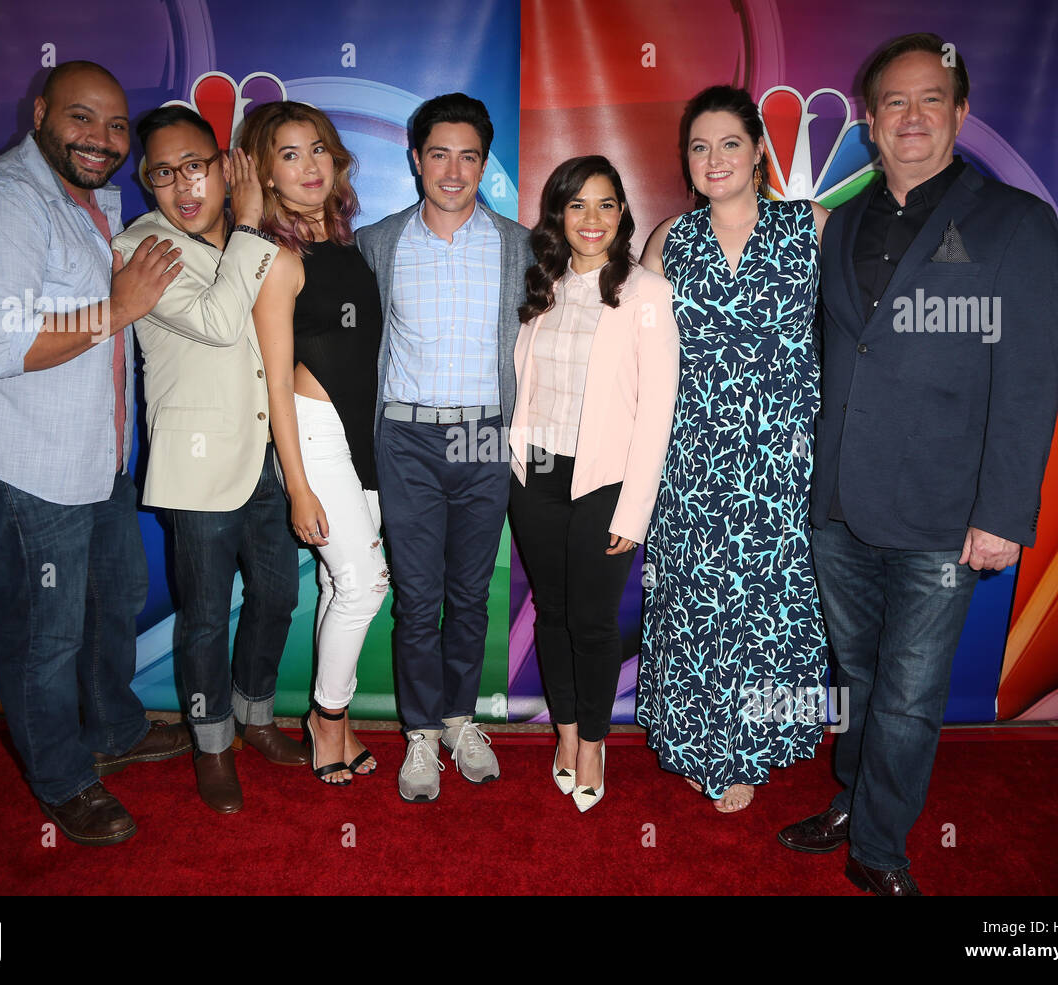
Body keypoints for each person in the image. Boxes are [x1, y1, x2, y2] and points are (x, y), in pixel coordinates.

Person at [777, 34, 1058, 895]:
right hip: (839, 506)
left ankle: (880, 845)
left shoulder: (1014, 222)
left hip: (946, 512)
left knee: (906, 693)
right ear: (866, 121)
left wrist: (1005, 512)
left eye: (929, 98)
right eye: (893, 102)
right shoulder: (845, 221)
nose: (910, 116)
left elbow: (1028, 380)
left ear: (961, 112)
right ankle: (854, 798)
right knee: (859, 675)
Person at [0, 61, 190, 846]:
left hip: (94, 459)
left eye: (116, 127)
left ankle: (112, 724)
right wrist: (119, 307)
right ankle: (64, 777)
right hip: (18, 467)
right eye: (82, 119)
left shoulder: (87, 204)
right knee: (44, 634)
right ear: (40, 111)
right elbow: (3, 345)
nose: (102, 140)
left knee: (112, 601)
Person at [637, 85, 831, 814]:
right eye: (698, 146)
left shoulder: (810, 226)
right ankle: (698, 743)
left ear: (758, 151)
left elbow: (860, 338)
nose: (713, 159)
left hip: (783, 457)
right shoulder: (668, 241)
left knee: (769, 603)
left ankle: (752, 747)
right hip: (692, 457)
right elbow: (637, 356)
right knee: (694, 602)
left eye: (728, 143)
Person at [111, 105, 307, 815]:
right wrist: (251, 226)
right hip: (195, 470)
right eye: (163, 173)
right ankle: (212, 742)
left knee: (278, 596)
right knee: (202, 617)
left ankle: (254, 718)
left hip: (265, 456)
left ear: (226, 165)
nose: (183, 186)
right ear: (147, 182)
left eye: (195, 165)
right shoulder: (141, 246)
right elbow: (224, 323)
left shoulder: (254, 236)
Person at [356, 93, 533, 803]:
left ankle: (460, 720)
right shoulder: (378, 243)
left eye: (467, 155)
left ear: (484, 163)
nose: (453, 170)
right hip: (406, 435)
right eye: (438, 154)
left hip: (484, 432)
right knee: (418, 594)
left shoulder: (520, 245)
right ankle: (420, 733)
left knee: (468, 594)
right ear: (415, 160)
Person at [509, 156, 678, 813]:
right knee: (552, 611)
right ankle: (567, 730)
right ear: (558, 214)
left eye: (606, 205)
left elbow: (657, 411)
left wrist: (634, 511)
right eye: (577, 205)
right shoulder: (538, 284)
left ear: (622, 215)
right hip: (537, 475)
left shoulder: (645, 294)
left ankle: (596, 741)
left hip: (606, 482)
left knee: (592, 618)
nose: (592, 218)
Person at [243, 101, 387, 786]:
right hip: (315, 434)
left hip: (364, 435)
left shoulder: (345, 243)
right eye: (289, 154)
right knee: (365, 585)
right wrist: (297, 485)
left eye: (318, 149)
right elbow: (274, 385)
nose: (309, 166)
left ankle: (339, 716)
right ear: (265, 174)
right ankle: (328, 718)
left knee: (340, 584)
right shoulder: (277, 258)